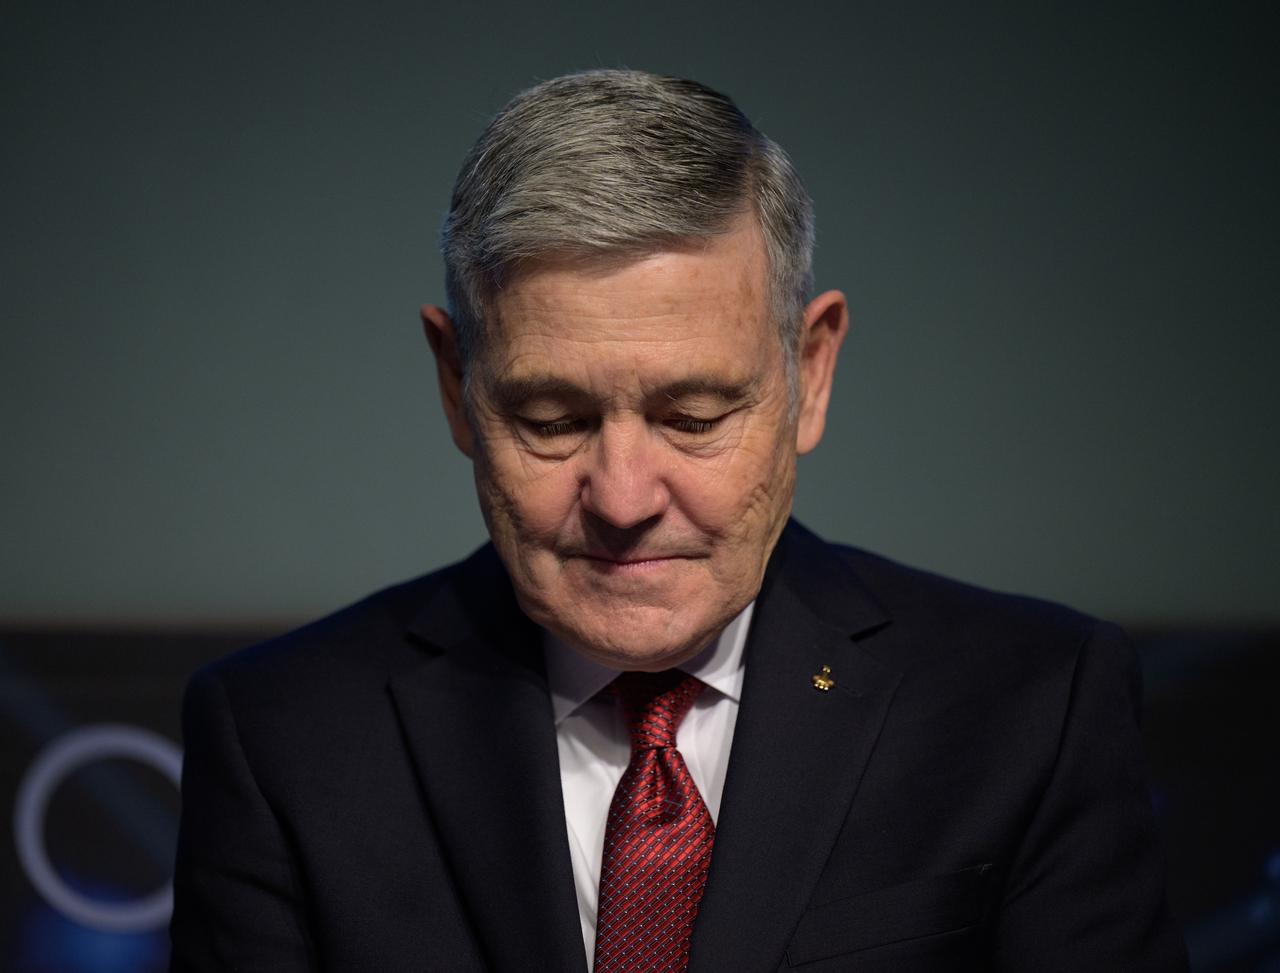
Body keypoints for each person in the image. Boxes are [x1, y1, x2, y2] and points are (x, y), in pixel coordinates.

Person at [170, 70, 1187, 972]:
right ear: (454, 385)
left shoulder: (1028, 709)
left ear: (811, 370)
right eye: (550, 420)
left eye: (692, 418)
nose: (622, 497)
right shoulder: (283, 739)